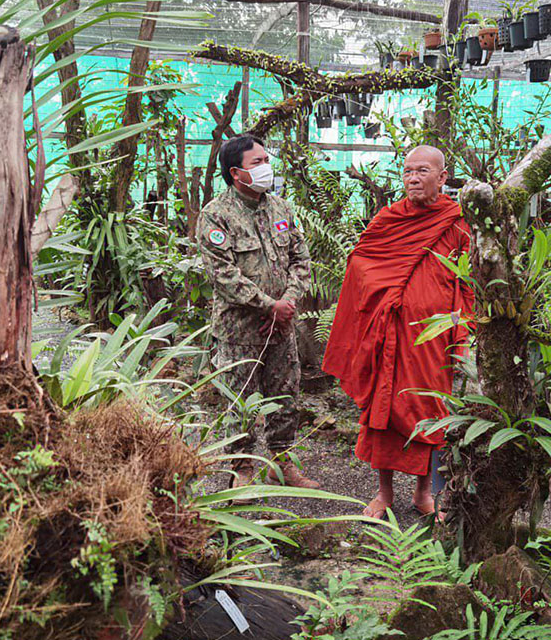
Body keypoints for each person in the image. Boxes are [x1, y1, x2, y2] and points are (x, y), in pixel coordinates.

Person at [323, 145, 474, 519]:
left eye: (422, 171)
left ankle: (424, 494)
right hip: (387, 334)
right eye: (407, 171)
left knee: (429, 411)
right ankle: (384, 492)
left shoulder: (456, 223)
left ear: (442, 178)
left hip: (431, 340)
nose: (413, 178)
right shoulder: (388, 219)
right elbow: (361, 260)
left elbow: (466, 282)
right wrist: (382, 296)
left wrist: (462, 334)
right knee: (383, 410)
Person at [197, 134, 320, 490]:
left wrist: (289, 301)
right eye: (258, 163)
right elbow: (222, 275)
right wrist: (269, 306)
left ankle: (282, 466)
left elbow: (301, 259)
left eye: (267, 160)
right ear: (236, 173)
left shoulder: (280, 208)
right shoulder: (216, 215)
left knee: (285, 397)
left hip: (281, 327)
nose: (267, 168)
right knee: (240, 402)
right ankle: (242, 469)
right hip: (240, 332)